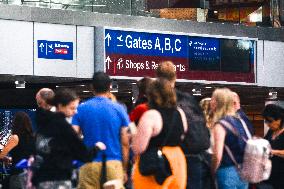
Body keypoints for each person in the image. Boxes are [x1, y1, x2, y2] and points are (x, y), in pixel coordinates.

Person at [156, 60, 211, 189]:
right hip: (197, 157)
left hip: (173, 158)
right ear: (175, 77)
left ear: (157, 77)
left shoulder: (160, 100)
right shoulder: (189, 99)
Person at [32, 88, 102, 189]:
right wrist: (97, 147)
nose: (75, 112)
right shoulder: (63, 126)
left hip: (41, 179)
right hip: (60, 179)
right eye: (72, 108)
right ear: (60, 106)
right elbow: (84, 154)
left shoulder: (42, 123)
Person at [72, 72, 130, 189]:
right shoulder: (119, 109)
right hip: (113, 164)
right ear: (109, 87)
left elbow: (73, 137)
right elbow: (125, 142)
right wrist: (124, 168)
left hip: (88, 164)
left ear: (92, 87)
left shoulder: (81, 109)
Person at [132, 78, 188, 189]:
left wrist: (134, 134)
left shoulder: (151, 115)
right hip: (178, 161)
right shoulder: (180, 113)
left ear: (151, 95)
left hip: (156, 164)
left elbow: (138, 148)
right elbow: (183, 135)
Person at [211, 88, 249, 189]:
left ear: (219, 102)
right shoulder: (241, 121)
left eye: (213, 99)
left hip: (226, 171)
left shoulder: (221, 124)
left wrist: (211, 171)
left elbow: (217, 156)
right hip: (243, 170)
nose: (211, 101)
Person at [9, 112, 35, 189]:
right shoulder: (33, 138)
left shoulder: (15, 138)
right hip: (31, 176)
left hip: (17, 176)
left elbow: (1, 154)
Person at [262, 104, 284, 189]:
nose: (267, 124)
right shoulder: (271, 131)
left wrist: (273, 152)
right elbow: (265, 143)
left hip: (281, 178)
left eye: (270, 121)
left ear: (280, 119)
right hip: (268, 176)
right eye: (266, 121)